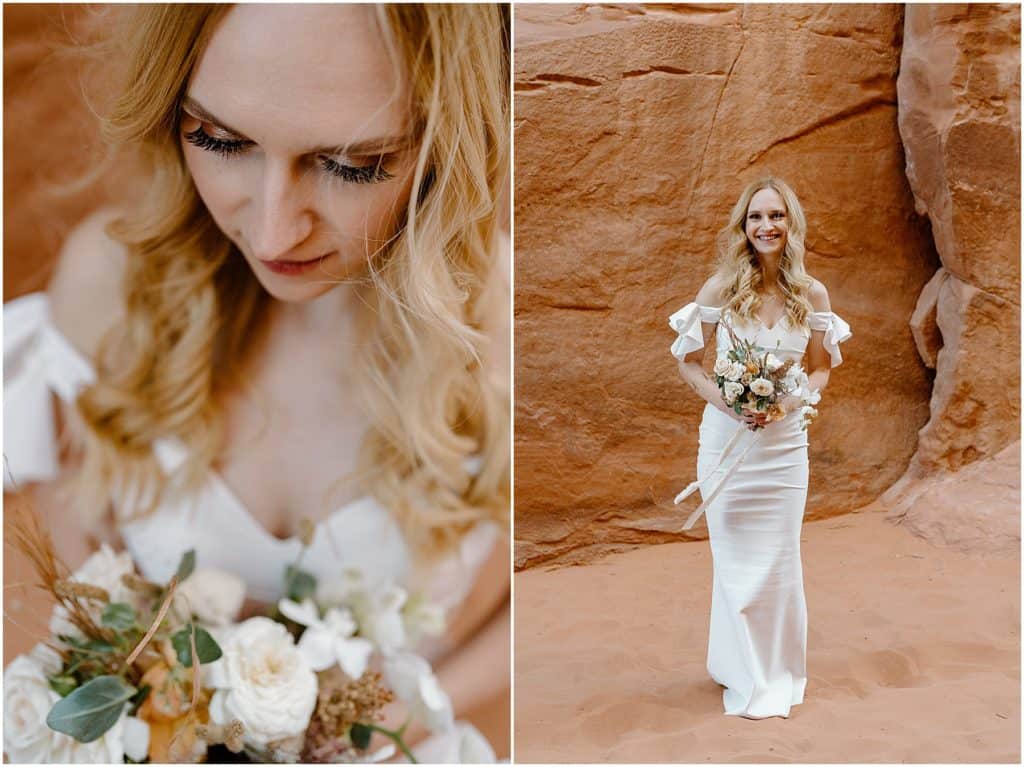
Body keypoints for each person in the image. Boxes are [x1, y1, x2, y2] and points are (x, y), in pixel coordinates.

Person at [3, 3, 510, 754]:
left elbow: (529, 602)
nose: (273, 231)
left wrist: (379, 727)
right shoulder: (108, 294)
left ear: (446, 134)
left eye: (349, 165)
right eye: (219, 139)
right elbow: (72, 565)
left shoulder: (506, 334)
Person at [669, 177, 851, 718]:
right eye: (755, 217)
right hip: (727, 441)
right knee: (734, 562)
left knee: (778, 561)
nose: (765, 226)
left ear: (790, 223)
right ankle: (739, 669)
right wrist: (730, 406)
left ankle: (775, 672)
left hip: (783, 450)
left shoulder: (811, 294)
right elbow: (688, 361)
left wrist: (789, 403)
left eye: (776, 215)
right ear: (743, 227)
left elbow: (819, 369)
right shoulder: (720, 288)